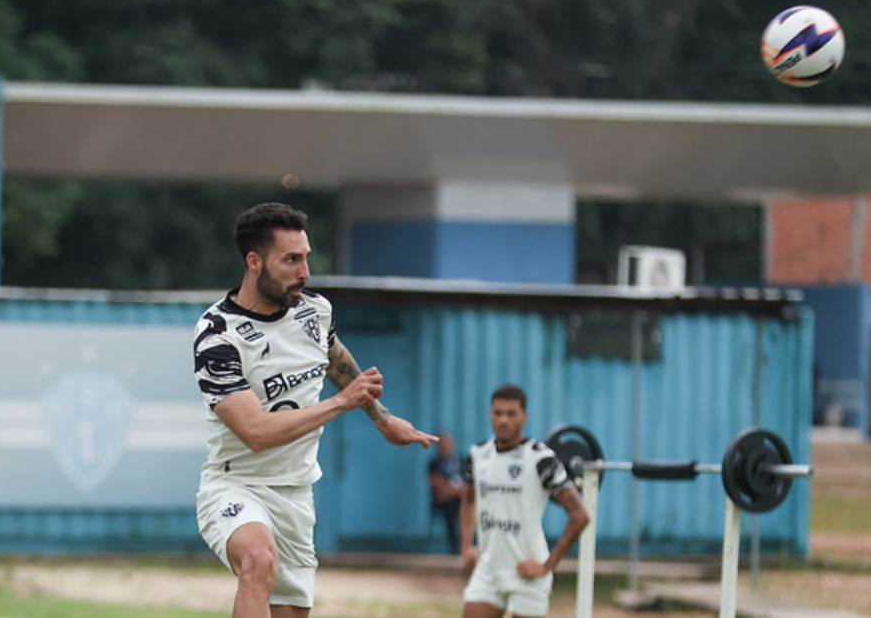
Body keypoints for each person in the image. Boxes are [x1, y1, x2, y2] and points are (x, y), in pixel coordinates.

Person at [192, 201, 437, 618]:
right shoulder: (218, 335)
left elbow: (335, 358)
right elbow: (255, 432)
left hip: (297, 494)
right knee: (259, 561)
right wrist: (342, 402)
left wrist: (381, 418)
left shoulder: (316, 312)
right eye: (291, 260)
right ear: (254, 261)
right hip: (237, 485)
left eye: (306, 257)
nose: (304, 272)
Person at [460, 384, 589, 618]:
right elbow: (469, 500)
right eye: (498, 413)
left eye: (511, 414)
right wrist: (467, 545)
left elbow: (580, 515)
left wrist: (547, 565)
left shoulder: (541, 459)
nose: (504, 420)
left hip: (527, 572)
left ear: (524, 416)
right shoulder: (478, 455)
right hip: (488, 571)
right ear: (490, 414)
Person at [428, 432, 465, 554]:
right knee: (449, 506)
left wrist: (455, 491)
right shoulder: (434, 464)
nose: (445, 447)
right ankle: (454, 546)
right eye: (442, 444)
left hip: (460, 499)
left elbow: (468, 484)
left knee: (468, 506)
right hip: (443, 502)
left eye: (447, 443)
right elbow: (437, 484)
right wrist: (455, 491)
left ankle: (469, 543)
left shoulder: (462, 461)